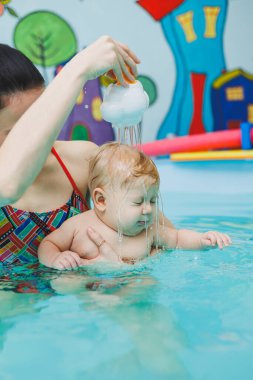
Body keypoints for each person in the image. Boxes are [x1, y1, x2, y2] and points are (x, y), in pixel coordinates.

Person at [0, 37, 175, 265]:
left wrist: (126, 266)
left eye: (42, 120)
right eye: (17, 130)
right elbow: (9, 184)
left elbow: (165, 237)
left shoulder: (80, 160)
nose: (37, 137)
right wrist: (79, 67)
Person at [38, 143, 232, 269]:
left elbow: (178, 238)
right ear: (101, 200)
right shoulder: (78, 227)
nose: (148, 209)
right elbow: (48, 244)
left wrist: (203, 240)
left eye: (153, 200)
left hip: (136, 286)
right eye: (138, 202)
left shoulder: (149, 230)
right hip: (95, 293)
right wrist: (55, 259)